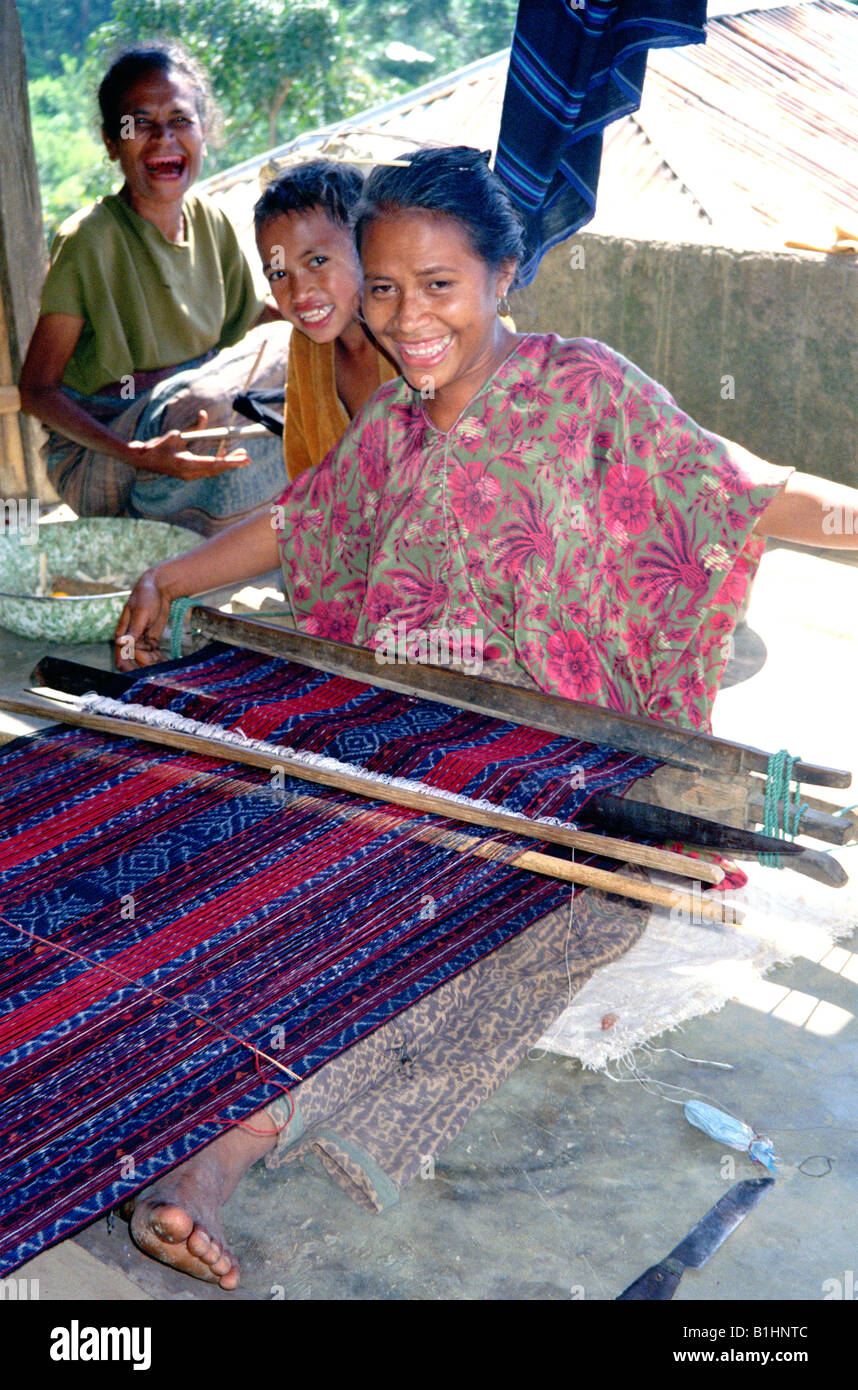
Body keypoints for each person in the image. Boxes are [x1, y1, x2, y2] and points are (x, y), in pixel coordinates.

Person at [115, 146, 858, 1287]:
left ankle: (229, 1143)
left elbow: (733, 487)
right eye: (385, 289)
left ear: (506, 274)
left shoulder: (587, 391)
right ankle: (211, 1121)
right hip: (418, 736)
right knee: (294, 874)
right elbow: (301, 524)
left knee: (506, 925)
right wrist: (171, 579)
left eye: (440, 286)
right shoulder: (395, 433)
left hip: (576, 767)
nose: (409, 318)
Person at [19, 42, 288, 536]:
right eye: (139, 123)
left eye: (181, 121)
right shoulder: (89, 240)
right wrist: (131, 451)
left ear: (204, 133)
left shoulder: (211, 220)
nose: (163, 138)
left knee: (306, 355)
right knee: (207, 405)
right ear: (111, 142)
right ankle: (183, 535)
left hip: (189, 416)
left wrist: (328, 323)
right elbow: (36, 391)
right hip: (106, 450)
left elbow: (254, 318)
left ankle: (234, 530)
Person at [254, 159, 399, 482]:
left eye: (317, 261)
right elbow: (306, 476)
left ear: (366, 246)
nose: (299, 291)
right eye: (279, 274)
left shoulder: (410, 333)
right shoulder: (307, 350)